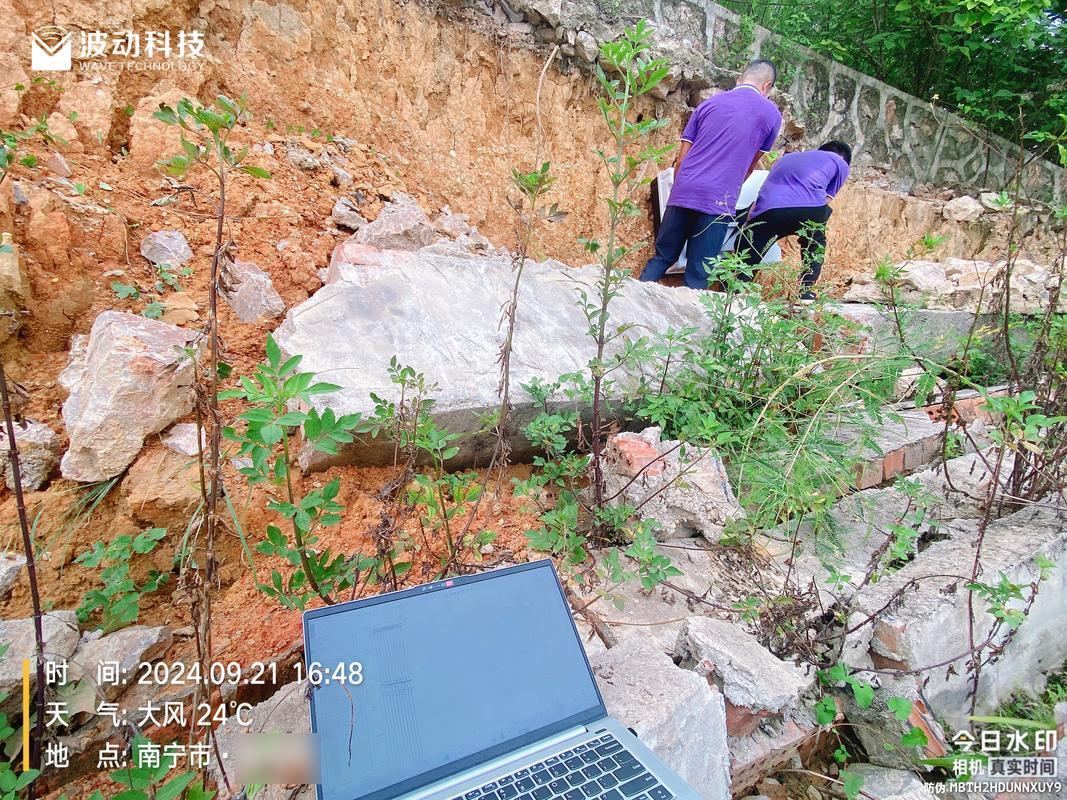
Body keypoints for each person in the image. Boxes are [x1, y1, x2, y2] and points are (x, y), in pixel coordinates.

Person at [639, 59, 782, 290]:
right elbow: (750, 166)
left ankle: (628, 303)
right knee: (698, 274)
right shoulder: (772, 114)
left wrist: (680, 189)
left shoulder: (708, 105)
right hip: (718, 200)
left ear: (739, 80)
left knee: (662, 258)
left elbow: (682, 157)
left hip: (684, 191)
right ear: (766, 86)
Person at [735, 140, 852, 299]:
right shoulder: (841, 163)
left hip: (769, 209)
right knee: (815, 242)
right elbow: (826, 200)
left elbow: (764, 190)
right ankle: (805, 293)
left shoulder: (786, 159)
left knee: (751, 246)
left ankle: (737, 291)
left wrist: (752, 221)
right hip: (808, 209)